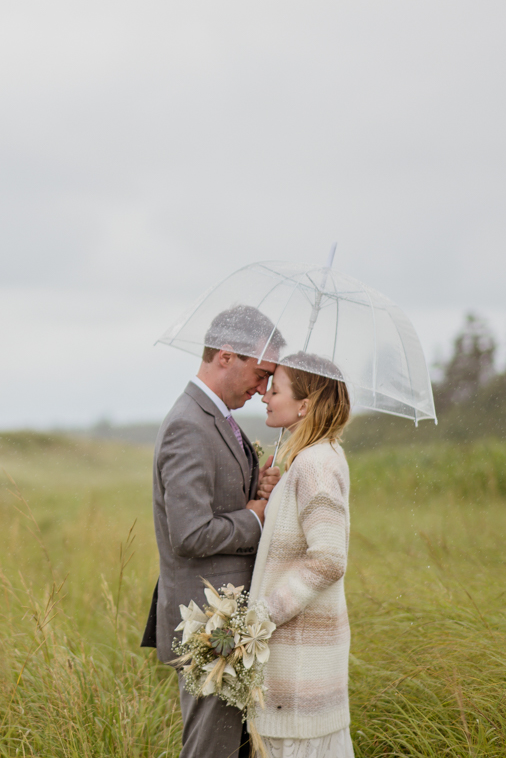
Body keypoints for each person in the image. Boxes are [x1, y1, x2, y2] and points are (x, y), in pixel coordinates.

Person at [144, 305, 284, 758]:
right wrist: (257, 516)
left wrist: (256, 486)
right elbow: (190, 534)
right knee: (211, 751)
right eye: (261, 373)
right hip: (209, 625)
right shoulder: (188, 424)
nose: (263, 388)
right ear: (227, 356)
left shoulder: (216, 417)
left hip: (228, 622)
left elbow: (220, 503)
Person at [249, 354, 355, 758]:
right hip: (298, 680)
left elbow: (329, 558)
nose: (265, 397)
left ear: (304, 406)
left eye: (275, 390)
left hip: (299, 684)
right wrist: (273, 491)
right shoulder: (307, 461)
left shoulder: (315, 464)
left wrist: (262, 614)